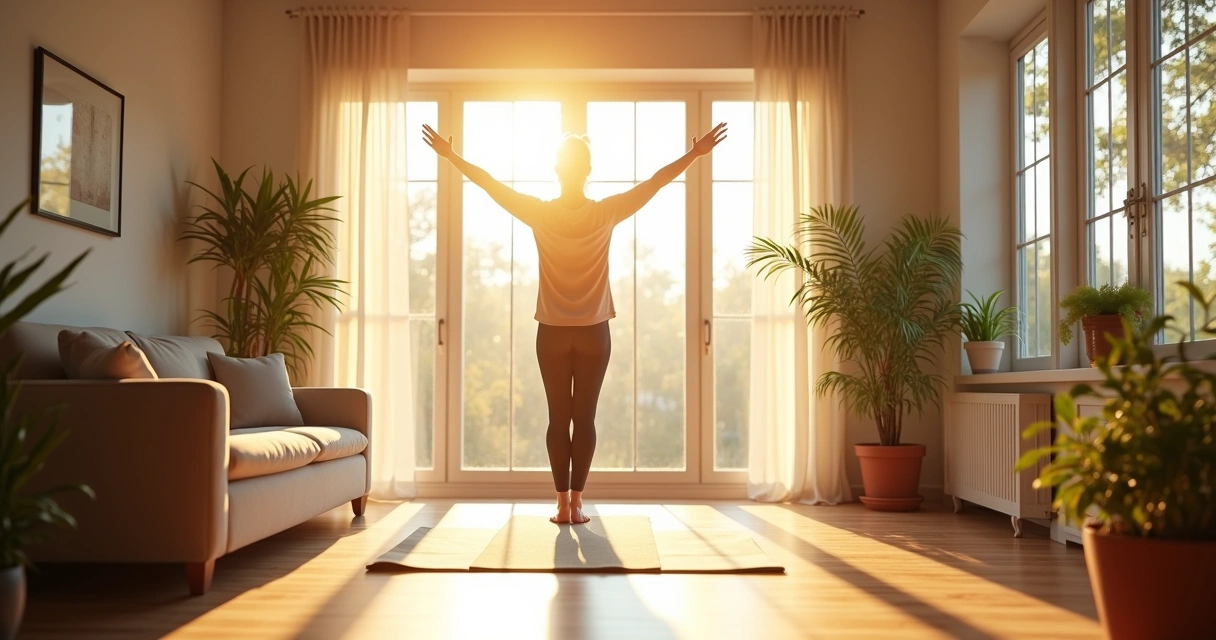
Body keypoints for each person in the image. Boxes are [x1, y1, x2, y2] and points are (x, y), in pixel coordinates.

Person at [423, 121, 727, 524]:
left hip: (550, 332)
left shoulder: (540, 212)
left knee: (557, 419)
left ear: (557, 170)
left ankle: (561, 504)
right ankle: (578, 503)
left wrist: (451, 156)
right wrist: (695, 153)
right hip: (594, 333)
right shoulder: (606, 212)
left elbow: (490, 185)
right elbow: (654, 183)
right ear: (587, 170)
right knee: (584, 419)